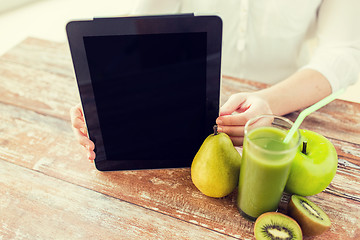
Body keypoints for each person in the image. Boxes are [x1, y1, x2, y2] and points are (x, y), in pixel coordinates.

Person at [70, 0, 360, 161]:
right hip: (177, 100)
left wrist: (269, 102)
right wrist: (101, 91)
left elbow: (344, 51)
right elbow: (142, 27)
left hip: (288, 104)